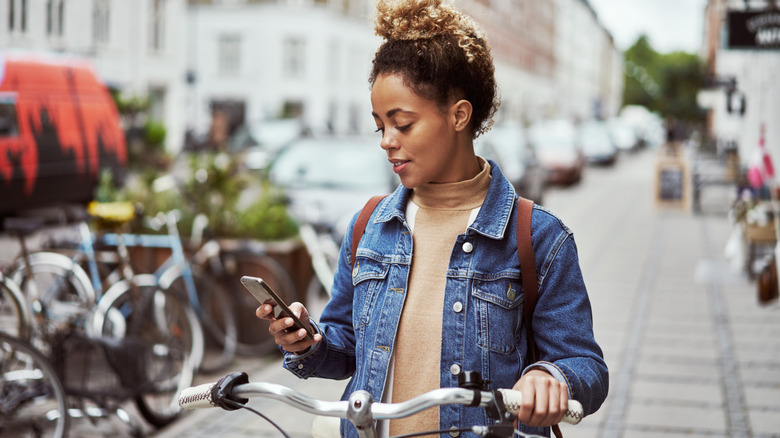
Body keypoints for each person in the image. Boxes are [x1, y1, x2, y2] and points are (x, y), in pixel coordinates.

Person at [257, 0, 609, 436]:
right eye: (379, 125)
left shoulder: (538, 237)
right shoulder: (369, 226)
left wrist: (552, 378)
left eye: (402, 124)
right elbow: (348, 349)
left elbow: (586, 366)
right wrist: (309, 341)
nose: (387, 141)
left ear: (459, 115)